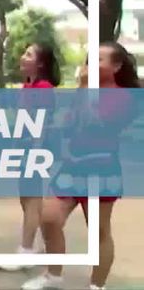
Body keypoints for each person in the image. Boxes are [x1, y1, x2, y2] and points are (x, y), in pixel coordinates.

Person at [22, 43, 138, 290]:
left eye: (100, 60)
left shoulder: (122, 96)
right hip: (72, 165)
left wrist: (85, 87)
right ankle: (53, 275)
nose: (92, 64)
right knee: (50, 218)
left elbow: (96, 122)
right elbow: (73, 121)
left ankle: (97, 285)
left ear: (116, 67)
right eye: (90, 59)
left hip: (101, 168)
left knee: (99, 231)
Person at [0, 43, 60, 273]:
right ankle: (38, 243)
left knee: (32, 197)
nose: (23, 57)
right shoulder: (28, 87)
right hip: (25, 147)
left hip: (36, 148)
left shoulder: (43, 88)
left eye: (29, 54)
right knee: (27, 197)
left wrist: (35, 151)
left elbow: (41, 123)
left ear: (40, 63)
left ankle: (25, 250)